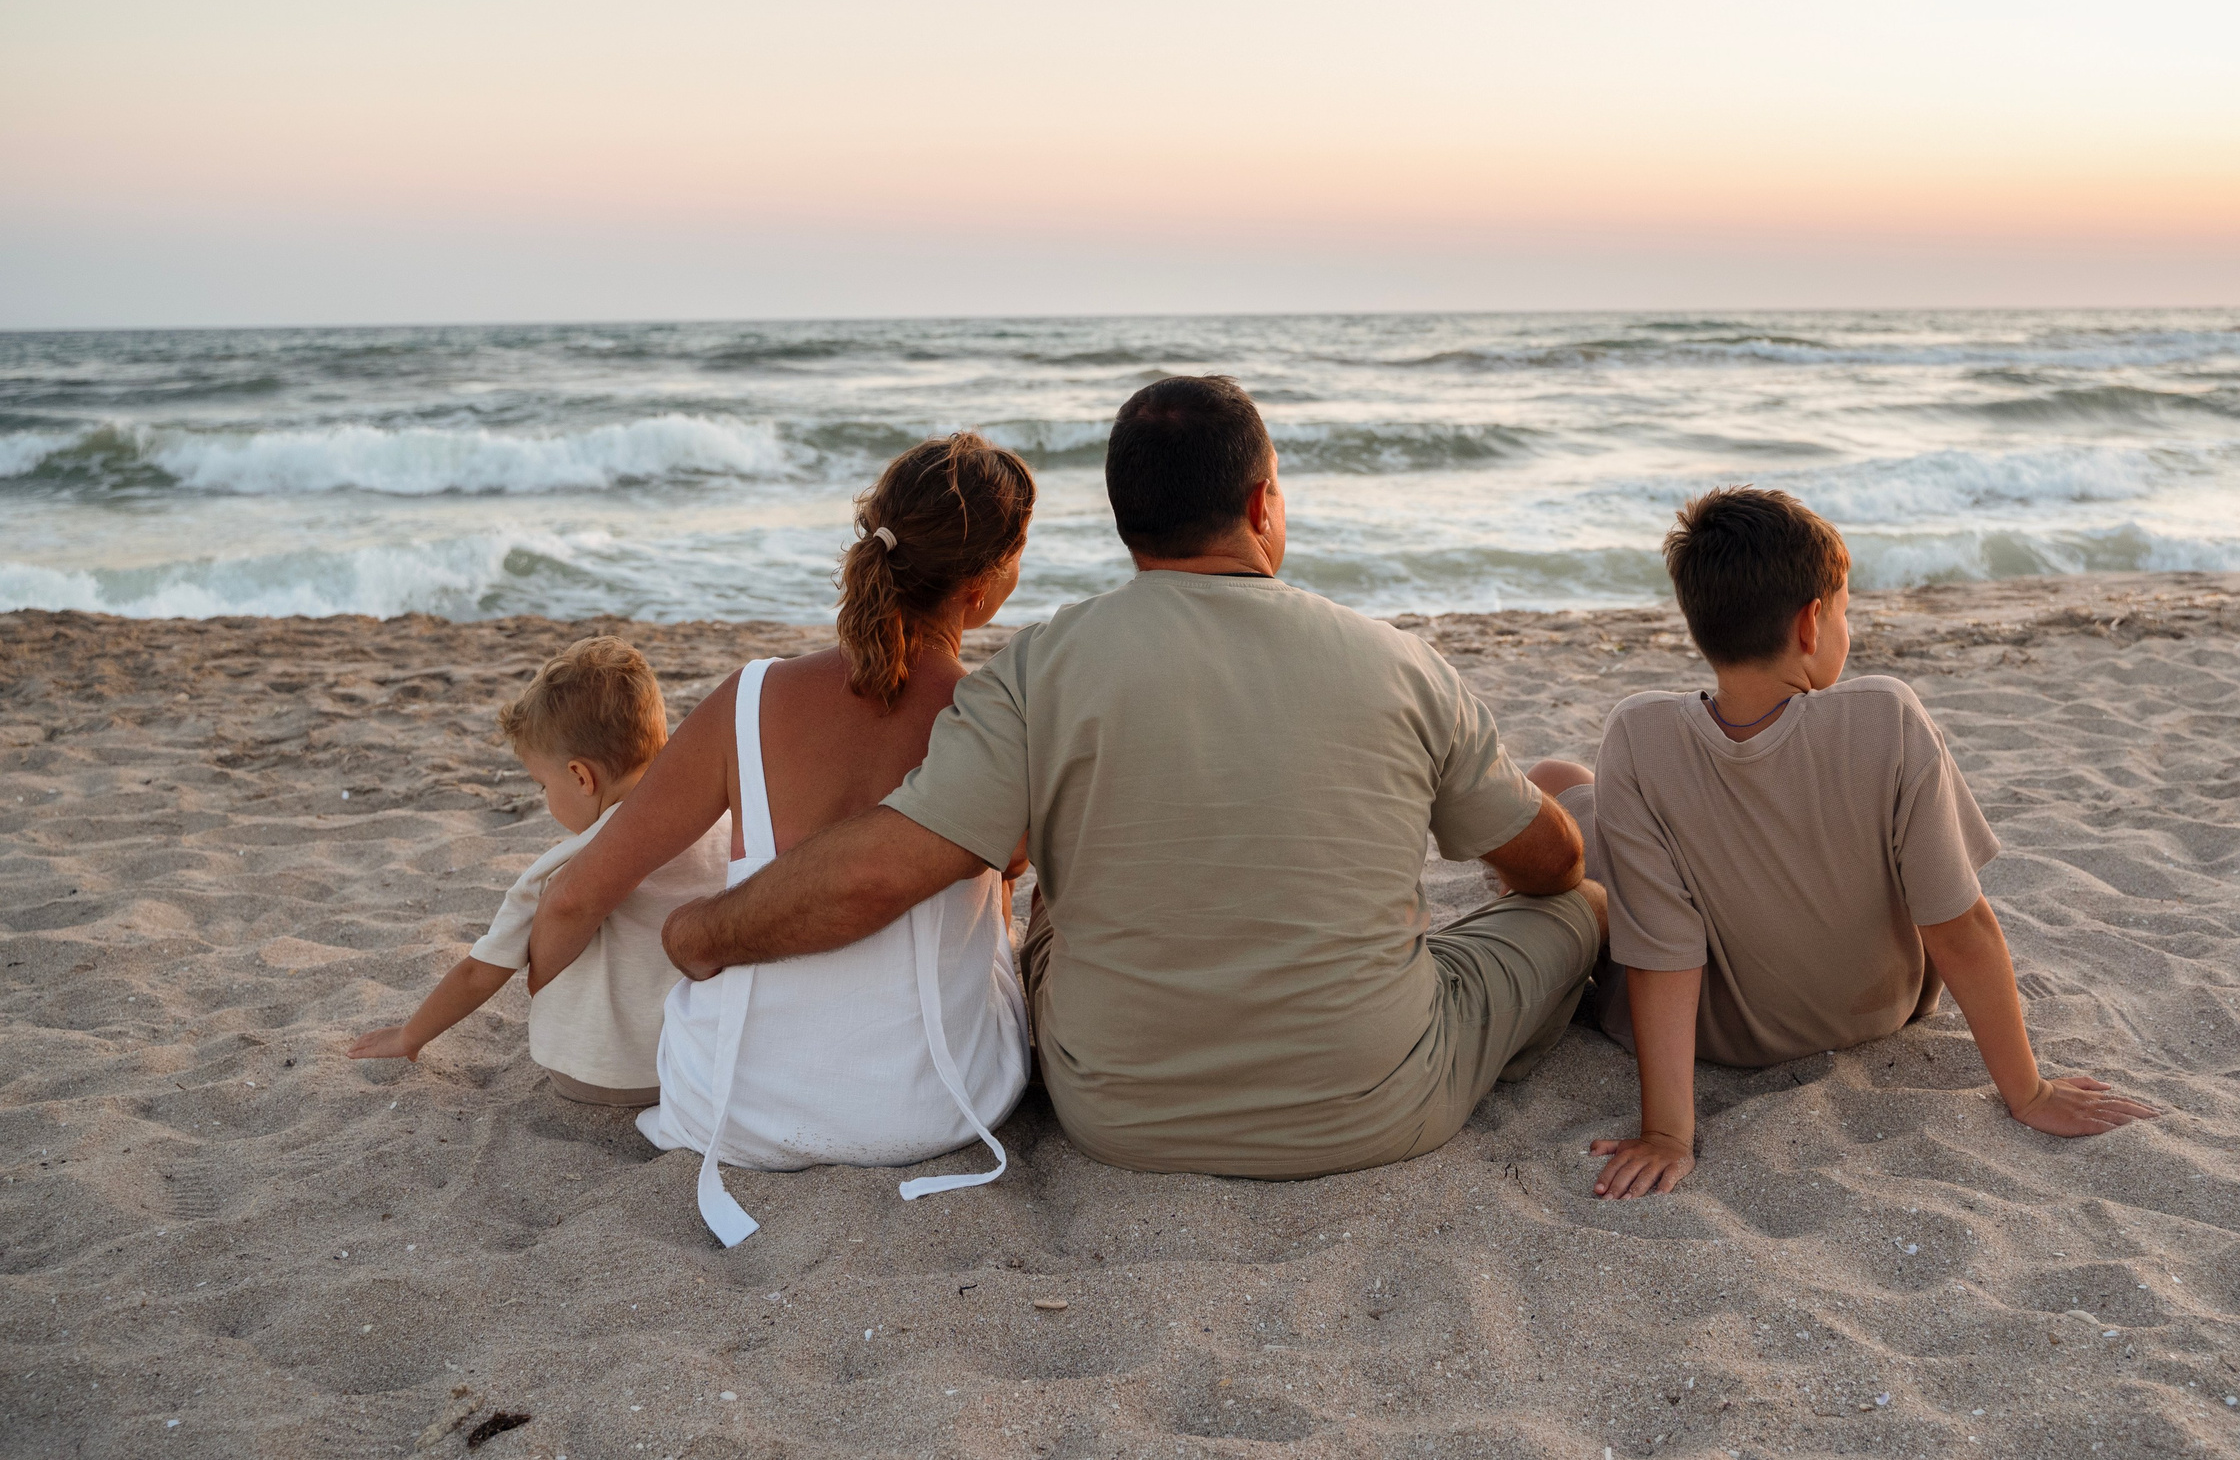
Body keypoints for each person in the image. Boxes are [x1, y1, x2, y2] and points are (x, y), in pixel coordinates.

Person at [658, 375, 1606, 1179]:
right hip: (1371, 1106)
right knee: (1578, 909)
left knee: (1050, 901)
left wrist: (706, 929)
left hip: (1115, 1115)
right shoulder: (1401, 663)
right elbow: (1544, 861)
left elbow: (880, 868)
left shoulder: (1041, 665)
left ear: (1125, 523)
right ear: (1262, 503)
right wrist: (1552, 862)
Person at [1579, 486, 2162, 1200]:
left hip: (1723, 1037)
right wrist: (2029, 1090)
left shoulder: (1637, 736)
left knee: (1558, 785)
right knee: (1572, 787)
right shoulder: (1886, 717)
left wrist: (1668, 1131)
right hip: (1886, 1009)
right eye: (1847, 610)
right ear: (1810, 623)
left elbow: (1664, 948)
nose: (1847, 628)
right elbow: (1960, 923)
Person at [528, 434, 1036, 1244]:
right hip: (944, 1106)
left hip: (732, 1110)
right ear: (985, 585)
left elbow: (584, 892)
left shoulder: (749, 697)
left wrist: (546, 1012)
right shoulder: (989, 720)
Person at [346, 636, 725, 1104]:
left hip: (598, 1076)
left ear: (580, 777)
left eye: (543, 785)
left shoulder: (564, 866)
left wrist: (409, 1036)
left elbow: (479, 973)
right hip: (702, 1067)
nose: (545, 798)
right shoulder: (725, 829)